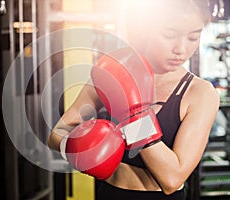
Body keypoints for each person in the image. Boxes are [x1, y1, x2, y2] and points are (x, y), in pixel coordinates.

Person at [47, 0, 220, 199]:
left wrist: (134, 116)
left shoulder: (200, 93)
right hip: (108, 194)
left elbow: (172, 179)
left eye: (193, 37)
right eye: (169, 35)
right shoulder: (113, 74)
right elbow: (57, 134)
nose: (181, 49)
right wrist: (83, 146)